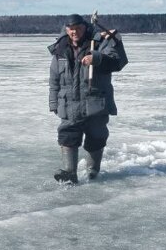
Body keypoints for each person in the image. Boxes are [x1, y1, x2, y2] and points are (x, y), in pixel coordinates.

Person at [47, 14, 127, 183]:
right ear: (66, 29)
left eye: (78, 28)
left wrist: (97, 58)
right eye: (71, 29)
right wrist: (53, 102)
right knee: (67, 136)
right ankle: (69, 173)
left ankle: (93, 171)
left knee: (96, 137)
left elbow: (117, 62)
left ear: (85, 27)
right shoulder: (60, 49)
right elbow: (54, 79)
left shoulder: (98, 43)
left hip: (95, 103)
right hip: (69, 104)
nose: (74, 32)